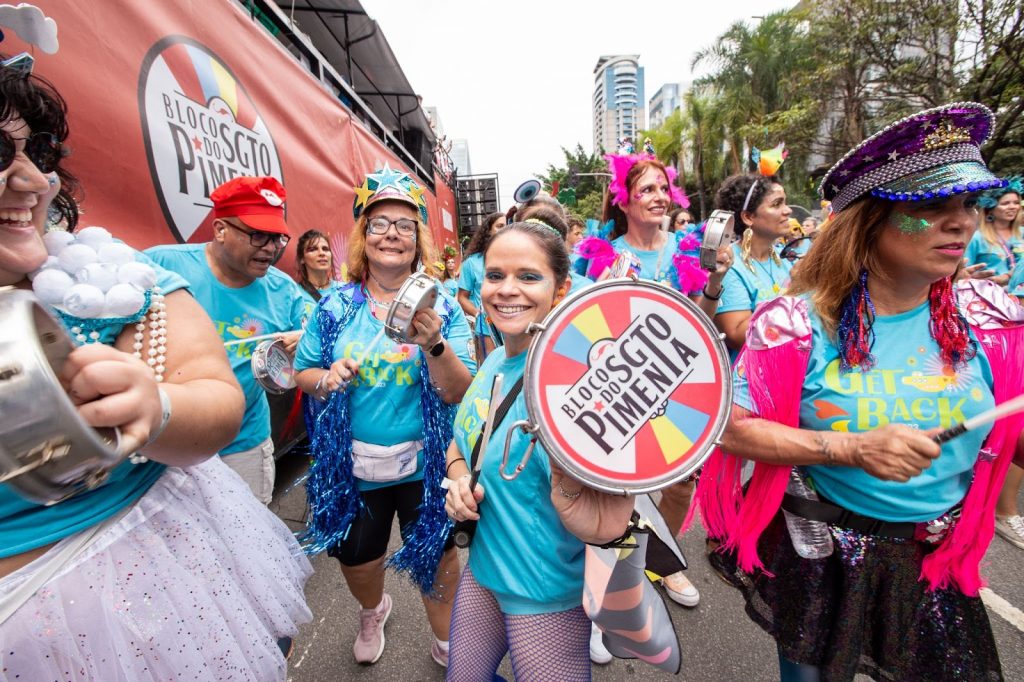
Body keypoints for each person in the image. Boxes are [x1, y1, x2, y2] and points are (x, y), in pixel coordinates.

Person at [0, 55, 311, 680]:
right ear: (221, 230)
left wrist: (154, 407)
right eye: (258, 234)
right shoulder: (174, 258)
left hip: (176, 540)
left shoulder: (119, 283)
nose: (31, 180)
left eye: (38, 151)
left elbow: (220, 391)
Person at [694, 102, 1023, 680]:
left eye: (968, 203)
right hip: (821, 551)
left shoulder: (995, 320)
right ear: (868, 221)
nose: (962, 222)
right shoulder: (792, 325)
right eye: (931, 206)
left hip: (934, 567)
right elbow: (728, 425)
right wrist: (849, 448)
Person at [293, 165, 475, 667]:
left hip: (427, 464)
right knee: (358, 559)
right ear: (362, 236)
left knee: (439, 559)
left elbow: (460, 391)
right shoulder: (333, 306)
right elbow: (302, 371)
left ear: (418, 239)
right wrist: (325, 378)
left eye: (404, 224)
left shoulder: (444, 308)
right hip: (354, 467)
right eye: (378, 224)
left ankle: (449, 645)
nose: (391, 234)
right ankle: (373, 610)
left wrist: (433, 342)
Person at [444, 220, 634, 681]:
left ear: (562, 289)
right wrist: (458, 480)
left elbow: (618, 497)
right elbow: (461, 443)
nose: (507, 290)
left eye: (528, 277)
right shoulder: (493, 360)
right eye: (495, 276)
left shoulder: (580, 383)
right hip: (484, 568)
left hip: (543, 587)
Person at [146, 176, 315, 505]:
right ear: (221, 229)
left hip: (243, 445)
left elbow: (325, 331)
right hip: (167, 445)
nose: (270, 247)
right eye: (258, 235)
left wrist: (305, 337)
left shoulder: (283, 291)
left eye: (277, 238)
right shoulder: (160, 266)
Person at [712, 174, 795, 360]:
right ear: (749, 217)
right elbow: (737, 336)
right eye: (777, 204)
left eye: (785, 203)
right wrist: (796, 292)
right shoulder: (728, 265)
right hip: (750, 383)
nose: (788, 210)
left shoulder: (788, 260)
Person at [458, 211, 505, 359]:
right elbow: (462, 297)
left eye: (506, 226)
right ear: (488, 230)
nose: (504, 229)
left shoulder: (513, 258)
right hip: (486, 326)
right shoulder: (471, 263)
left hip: (512, 322)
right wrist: (479, 315)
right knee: (491, 367)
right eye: (499, 226)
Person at [963, 177, 1022, 286]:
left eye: (1016, 202)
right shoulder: (977, 238)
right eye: (1005, 203)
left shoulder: (1022, 234)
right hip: (992, 297)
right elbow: (964, 273)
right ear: (990, 208)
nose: (1012, 207)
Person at [296, 228, 337, 300]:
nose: (322, 253)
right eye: (313, 249)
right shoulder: (295, 293)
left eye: (325, 249)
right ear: (302, 258)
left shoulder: (345, 290)